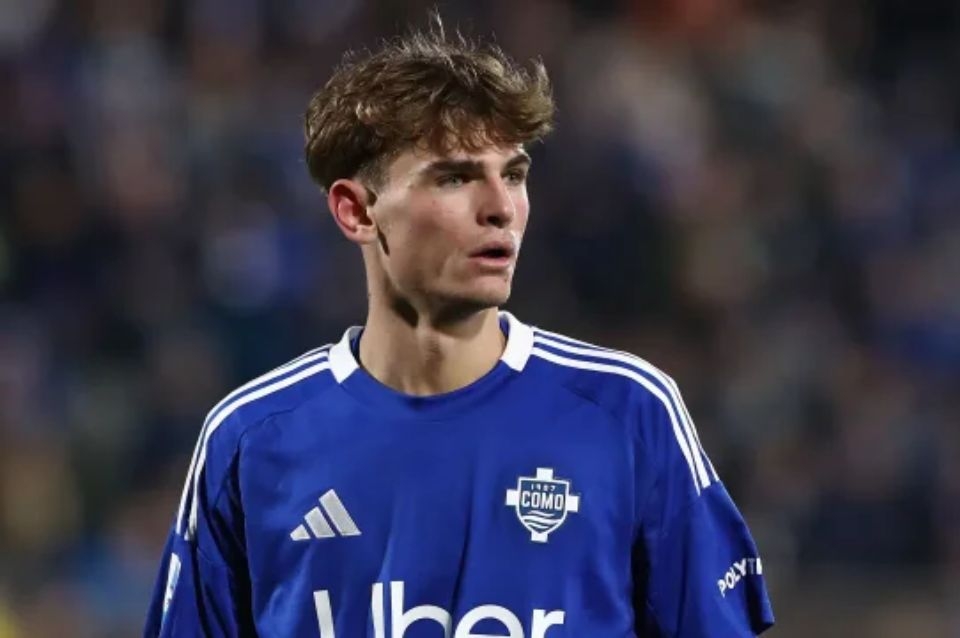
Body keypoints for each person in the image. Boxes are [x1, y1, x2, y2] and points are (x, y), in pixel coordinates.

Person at [145, 20, 774, 638]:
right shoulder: (251, 439)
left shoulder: (627, 411)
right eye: (454, 177)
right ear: (356, 210)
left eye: (515, 175)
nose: (500, 207)